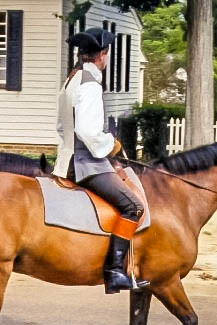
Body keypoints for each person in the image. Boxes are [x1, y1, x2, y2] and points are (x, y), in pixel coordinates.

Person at [53, 28, 150, 294]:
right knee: (134, 207)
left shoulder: (71, 80)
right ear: (102, 55)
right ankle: (116, 271)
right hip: (87, 164)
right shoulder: (90, 85)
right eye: (106, 54)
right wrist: (112, 144)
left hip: (67, 159)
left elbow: (62, 128)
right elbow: (88, 131)